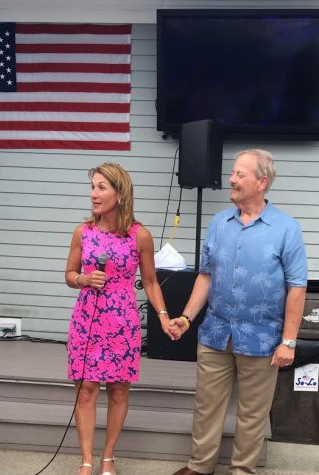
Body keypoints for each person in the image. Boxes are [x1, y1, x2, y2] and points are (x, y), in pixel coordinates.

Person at [170, 149, 307, 475]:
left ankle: (242, 470)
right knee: (206, 406)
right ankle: (200, 466)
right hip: (216, 332)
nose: (231, 179)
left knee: (253, 412)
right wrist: (187, 317)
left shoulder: (286, 228)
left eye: (240, 175)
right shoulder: (219, 223)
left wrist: (288, 341)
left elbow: (297, 287)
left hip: (262, 338)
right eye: (233, 173)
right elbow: (206, 274)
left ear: (261, 182)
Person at [65, 162, 176, 475]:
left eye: (101, 187)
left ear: (120, 193)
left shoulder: (139, 235)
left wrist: (164, 317)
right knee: (86, 390)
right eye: (93, 187)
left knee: (118, 390)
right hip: (86, 319)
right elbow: (69, 274)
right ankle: (86, 460)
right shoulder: (82, 232)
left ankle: (108, 457)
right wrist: (83, 280)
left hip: (121, 322)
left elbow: (151, 282)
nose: (94, 194)